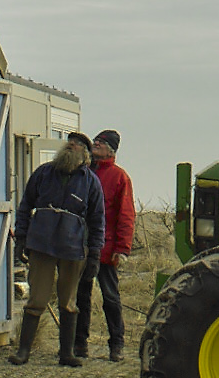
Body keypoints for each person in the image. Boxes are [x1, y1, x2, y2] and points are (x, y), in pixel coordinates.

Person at [11, 130, 105, 366]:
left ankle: (66, 354)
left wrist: (94, 253)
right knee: (37, 299)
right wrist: (21, 237)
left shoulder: (91, 182)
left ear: (85, 154)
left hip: (73, 248)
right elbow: (25, 205)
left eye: (77, 144)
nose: (71, 145)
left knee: (68, 302)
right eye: (69, 142)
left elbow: (97, 221)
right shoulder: (44, 173)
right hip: (41, 244)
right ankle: (24, 351)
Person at [69, 128, 135, 362]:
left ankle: (116, 344)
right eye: (95, 140)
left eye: (102, 142)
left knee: (110, 297)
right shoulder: (83, 173)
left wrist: (122, 249)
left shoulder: (119, 177)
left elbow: (126, 215)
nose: (96, 143)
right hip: (81, 247)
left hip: (106, 250)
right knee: (81, 297)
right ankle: (79, 344)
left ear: (111, 150)